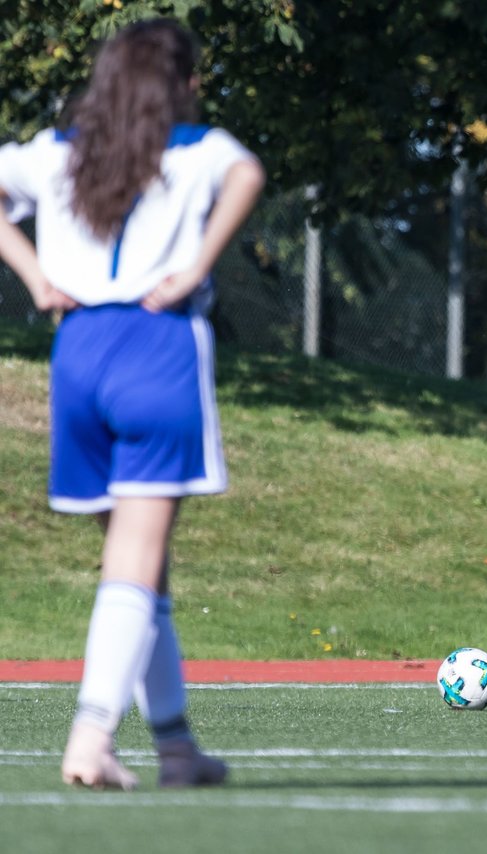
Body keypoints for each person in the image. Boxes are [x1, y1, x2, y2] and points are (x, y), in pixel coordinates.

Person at [0, 19, 266, 787]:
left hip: (77, 351)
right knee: (135, 557)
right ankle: (90, 738)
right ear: (180, 83)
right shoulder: (197, 147)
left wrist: (34, 277)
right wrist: (194, 268)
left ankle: (176, 747)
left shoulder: (58, 152)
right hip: (156, 345)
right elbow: (247, 173)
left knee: (145, 564)